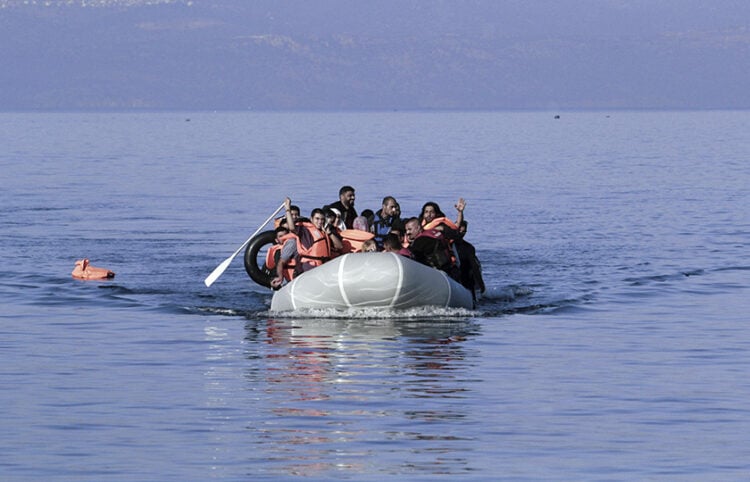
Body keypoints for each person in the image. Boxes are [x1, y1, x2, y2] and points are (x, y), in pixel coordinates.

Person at [271, 200, 343, 289]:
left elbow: (339, 246)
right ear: (311, 219)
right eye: (317, 219)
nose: (320, 222)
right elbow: (292, 227)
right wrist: (287, 209)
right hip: (308, 269)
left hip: (322, 269)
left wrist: (330, 233)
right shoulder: (305, 230)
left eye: (322, 219)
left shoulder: (325, 233)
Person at [453, 220, 486, 299]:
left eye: (463, 232)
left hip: (466, 278)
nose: (461, 233)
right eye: (459, 230)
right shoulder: (446, 244)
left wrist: (481, 284)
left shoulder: (468, 248)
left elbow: (474, 267)